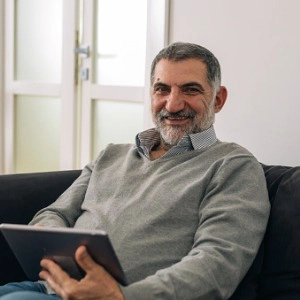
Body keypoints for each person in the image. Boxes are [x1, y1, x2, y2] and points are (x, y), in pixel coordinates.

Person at [0, 42, 270, 300]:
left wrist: (121, 296)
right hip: (45, 287)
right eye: (162, 89)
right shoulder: (112, 154)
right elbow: (53, 214)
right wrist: (57, 247)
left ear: (219, 99)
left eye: (190, 90)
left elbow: (218, 264)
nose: (173, 104)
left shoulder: (233, 166)